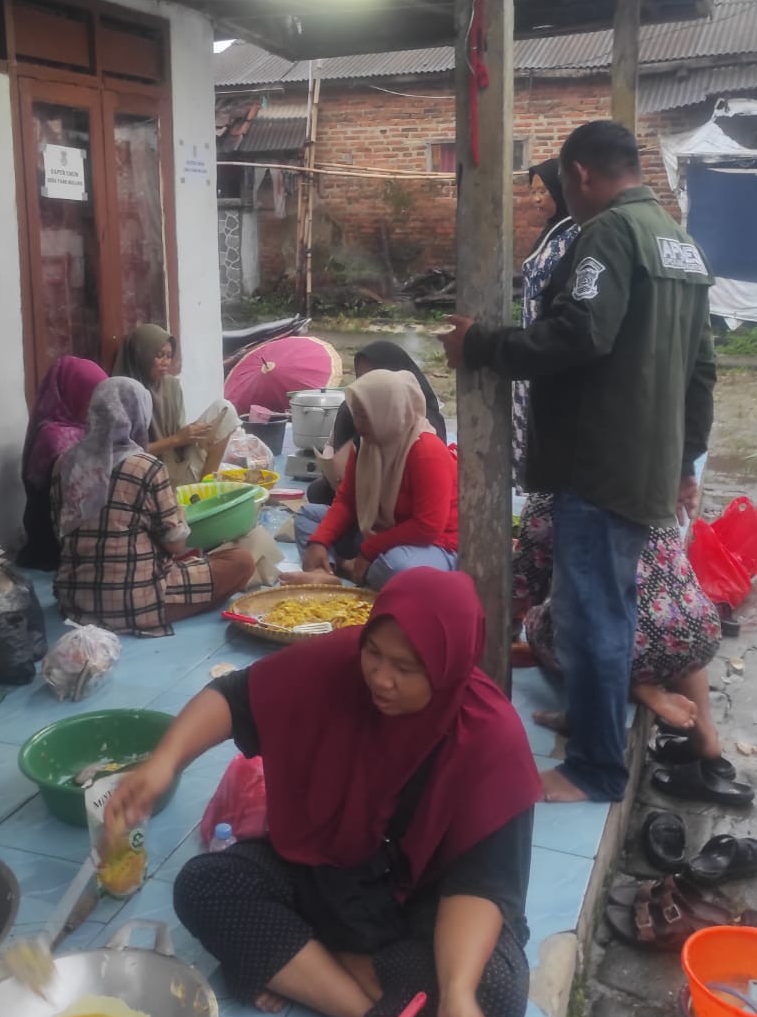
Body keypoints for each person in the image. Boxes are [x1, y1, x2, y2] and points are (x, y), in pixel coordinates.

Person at [107, 569, 540, 1017]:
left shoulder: (491, 741)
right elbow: (233, 698)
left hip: (425, 911)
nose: (380, 678)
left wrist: (455, 997)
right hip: (328, 873)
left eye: (406, 668)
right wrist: (164, 762)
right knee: (206, 885)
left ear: (450, 669)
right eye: (374, 653)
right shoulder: (336, 668)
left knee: (492, 1001)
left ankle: (306, 963)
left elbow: (479, 886)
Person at [442, 120, 715, 804]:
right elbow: (703, 371)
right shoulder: (680, 244)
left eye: (564, 182)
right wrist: (684, 463)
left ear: (583, 175)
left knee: (594, 613)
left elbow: (581, 331)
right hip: (642, 465)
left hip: (598, 463)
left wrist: (486, 346)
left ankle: (593, 769)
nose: (566, 195)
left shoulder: (607, 234)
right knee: (602, 604)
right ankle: (591, 722)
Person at [514, 496, 724, 761]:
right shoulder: (652, 482)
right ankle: (707, 736)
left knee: (542, 623)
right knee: (673, 622)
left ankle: (639, 689)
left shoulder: (550, 499)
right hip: (700, 629)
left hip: (621, 641)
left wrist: (506, 632)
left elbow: (524, 588)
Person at [51, 377, 254, 636]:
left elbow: (62, 531)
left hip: (74, 600)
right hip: (135, 602)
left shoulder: (64, 464)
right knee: (241, 561)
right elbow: (175, 544)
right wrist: (179, 516)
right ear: (139, 415)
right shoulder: (145, 467)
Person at [295, 370, 458, 590]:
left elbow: (427, 527)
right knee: (307, 517)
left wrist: (369, 549)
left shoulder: (426, 450)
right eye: (357, 415)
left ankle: (343, 567)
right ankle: (326, 572)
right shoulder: (366, 445)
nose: (358, 424)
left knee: (397, 568)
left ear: (388, 412)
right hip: (377, 532)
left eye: (365, 416)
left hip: (432, 544)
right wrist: (319, 541)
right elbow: (346, 501)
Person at [307, 340, 447, 506]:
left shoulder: (424, 430)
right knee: (317, 493)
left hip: (400, 500)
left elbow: (428, 524)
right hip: (362, 489)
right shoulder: (353, 411)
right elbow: (343, 477)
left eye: (374, 377)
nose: (366, 385)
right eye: (361, 378)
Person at [512, 161, 578, 486]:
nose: (537, 198)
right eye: (533, 191)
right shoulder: (553, 231)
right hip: (532, 337)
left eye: (544, 190)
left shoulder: (574, 233)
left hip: (547, 342)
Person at [17, 356, 107, 571]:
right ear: (74, 392)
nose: (97, 405)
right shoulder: (54, 437)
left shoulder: (84, 428)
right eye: (91, 396)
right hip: (53, 548)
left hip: (73, 538)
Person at [113, 324, 228, 485]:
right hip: (146, 474)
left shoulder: (172, 386)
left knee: (224, 409)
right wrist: (176, 439)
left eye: (169, 356)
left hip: (177, 461)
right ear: (141, 356)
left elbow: (180, 433)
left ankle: (204, 489)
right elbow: (124, 454)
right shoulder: (125, 393)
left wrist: (192, 433)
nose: (166, 362)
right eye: (159, 355)